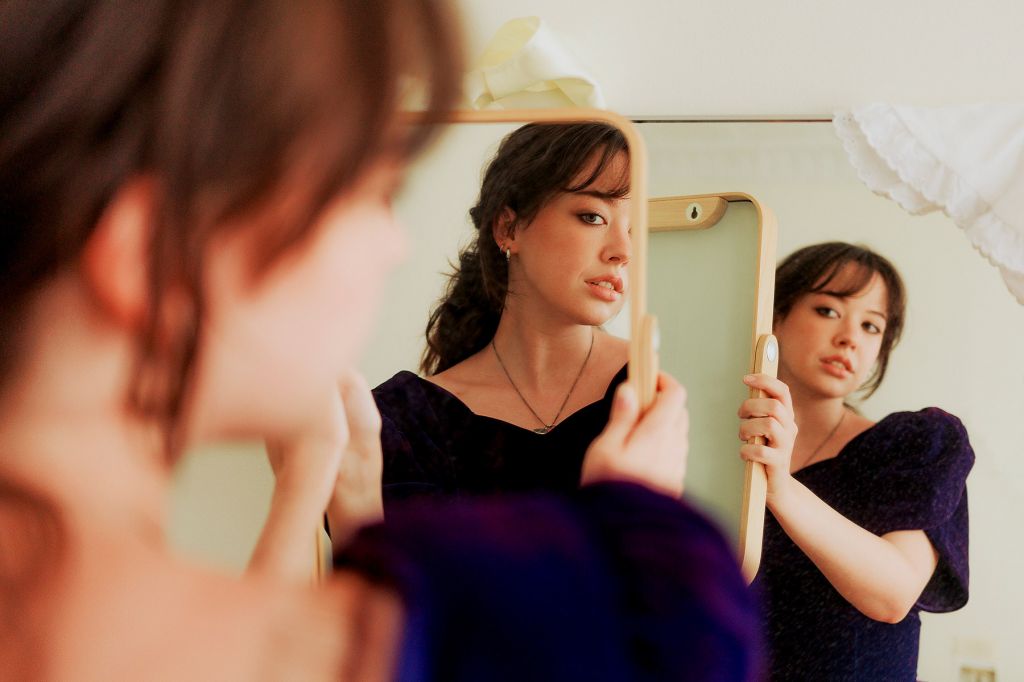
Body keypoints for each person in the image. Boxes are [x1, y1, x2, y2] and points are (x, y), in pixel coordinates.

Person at [0, 1, 760, 679]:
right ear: (145, 258)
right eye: (368, 191)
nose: (392, 244)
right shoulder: (642, 618)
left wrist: (320, 483)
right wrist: (631, 539)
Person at [738, 242, 974, 680]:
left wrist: (783, 491)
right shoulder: (717, 442)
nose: (849, 337)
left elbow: (893, 594)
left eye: (871, 326)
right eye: (828, 310)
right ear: (775, 316)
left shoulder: (912, 447)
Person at [375, 122, 632, 504]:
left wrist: (756, 498)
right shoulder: (405, 424)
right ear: (508, 227)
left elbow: (727, 560)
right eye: (593, 217)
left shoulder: (661, 388)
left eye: (636, 229)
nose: (622, 250)